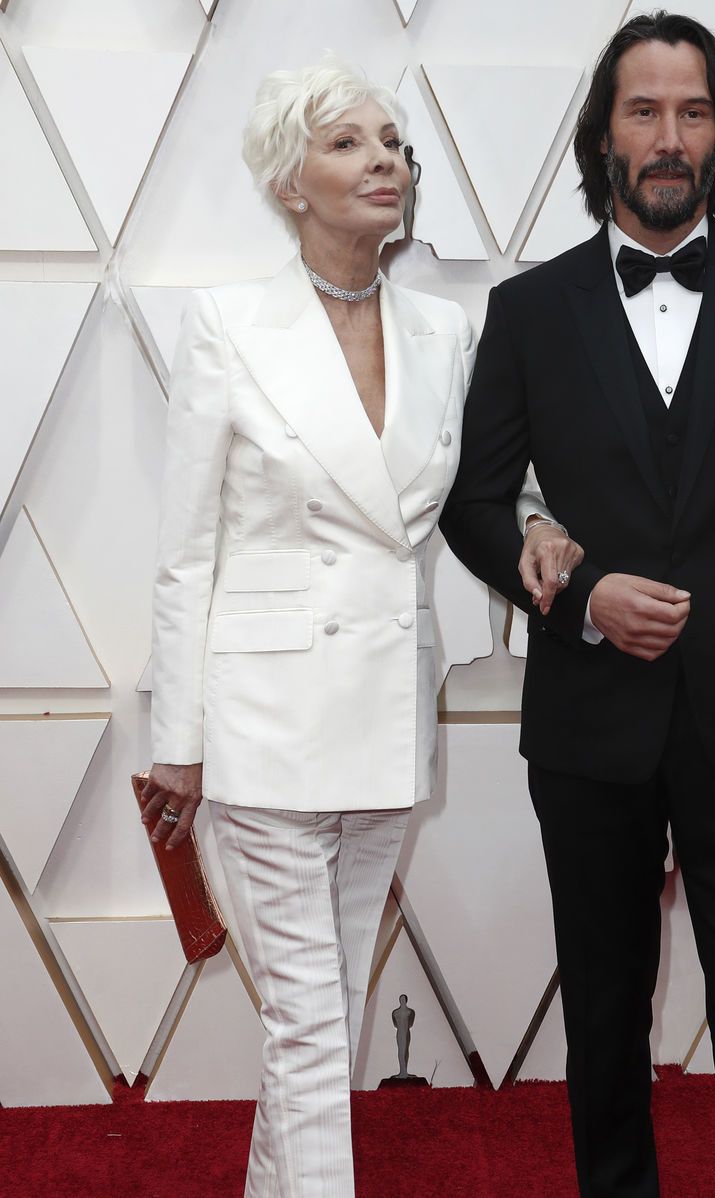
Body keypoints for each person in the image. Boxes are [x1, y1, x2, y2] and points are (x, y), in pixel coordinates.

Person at [440, 12, 715, 1198]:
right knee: (603, 1020)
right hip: (589, 723)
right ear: (604, 135)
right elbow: (474, 504)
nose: (668, 136)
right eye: (644, 111)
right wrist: (580, 594)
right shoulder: (528, 310)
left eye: (692, 112)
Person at [141, 58, 573, 1198]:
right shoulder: (226, 325)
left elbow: (480, 493)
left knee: (318, 1018)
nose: (384, 160)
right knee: (307, 1021)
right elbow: (187, 553)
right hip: (263, 721)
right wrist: (175, 738)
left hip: (385, 710)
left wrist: (540, 528)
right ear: (291, 180)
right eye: (347, 143)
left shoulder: (445, 330)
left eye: (394, 143)